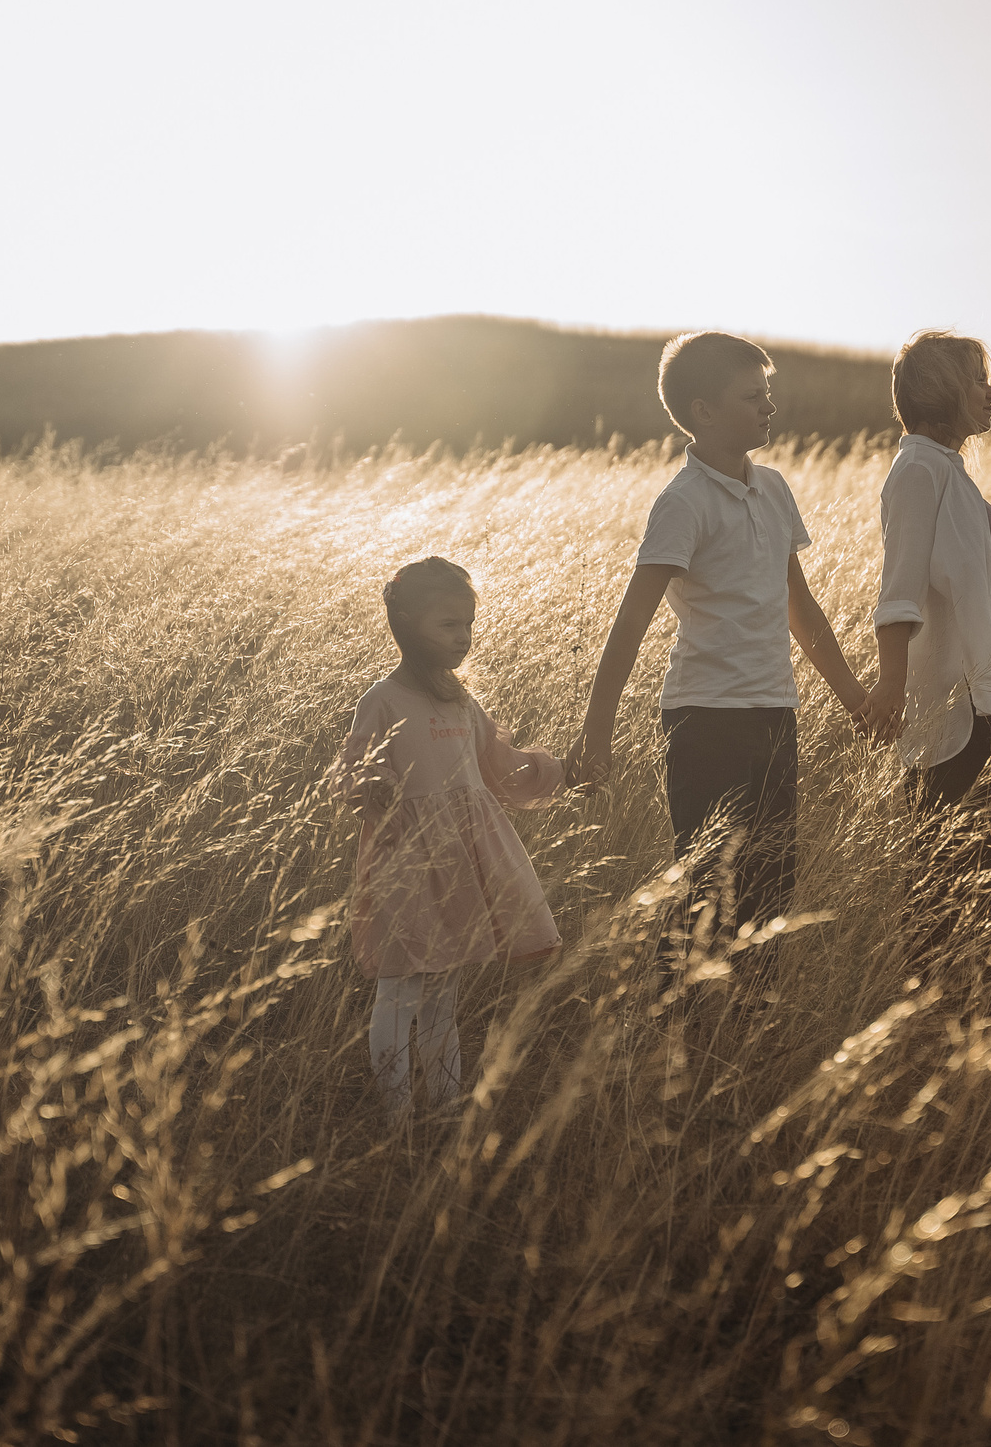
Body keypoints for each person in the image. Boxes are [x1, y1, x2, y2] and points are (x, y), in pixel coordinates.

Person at [570, 332, 867, 991]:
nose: (768, 406)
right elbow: (631, 622)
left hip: (774, 714)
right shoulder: (683, 502)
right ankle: (681, 1034)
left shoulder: (775, 489)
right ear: (703, 411)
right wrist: (597, 731)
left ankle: (745, 1026)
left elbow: (804, 610)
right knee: (708, 888)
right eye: (751, 395)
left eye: (768, 393)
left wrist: (854, 698)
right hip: (705, 720)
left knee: (770, 882)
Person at [857, 332, 991, 959]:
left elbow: (983, 609)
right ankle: (935, 1026)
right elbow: (897, 594)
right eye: (978, 378)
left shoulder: (947, 470)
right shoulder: (918, 471)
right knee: (945, 883)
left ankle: (985, 1023)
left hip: (987, 701)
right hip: (949, 714)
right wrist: (891, 691)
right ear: (940, 389)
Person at [343, 557, 565, 1120]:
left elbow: (501, 768)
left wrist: (564, 771)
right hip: (404, 869)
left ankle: (444, 1107)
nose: (463, 637)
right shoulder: (382, 700)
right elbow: (356, 775)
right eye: (448, 625)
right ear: (406, 623)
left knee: (443, 994)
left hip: (463, 868)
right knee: (398, 992)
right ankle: (397, 1116)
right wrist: (373, 787)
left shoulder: (461, 701)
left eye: (468, 624)